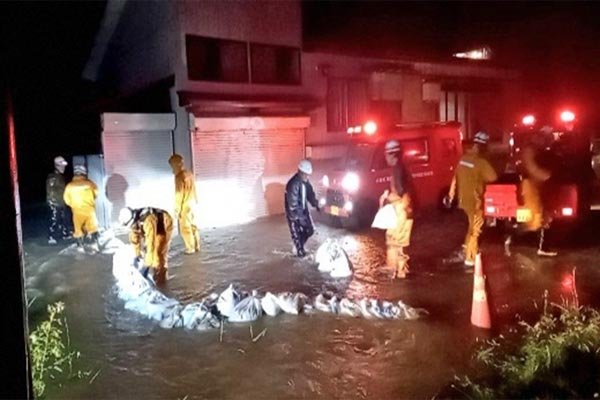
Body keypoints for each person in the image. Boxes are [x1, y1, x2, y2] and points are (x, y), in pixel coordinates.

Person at [445, 131, 498, 268]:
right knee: (475, 230)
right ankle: (470, 257)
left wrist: (451, 196)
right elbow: (493, 177)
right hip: (475, 202)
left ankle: (467, 250)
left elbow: (454, 178)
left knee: (470, 228)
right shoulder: (481, 162)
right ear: (483, 146)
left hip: (464, 200)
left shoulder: (463, 159)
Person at [506, 139, 557, 256]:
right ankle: (512, 237)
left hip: (535, 187)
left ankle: (543, 247)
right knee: (534, 222)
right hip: (531, 187)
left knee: (541, 219)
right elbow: (532, 169)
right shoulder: (529, 152)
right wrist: (547, 175)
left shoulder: (531, 151)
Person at [379, 140, 414, 279]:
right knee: (392, 239)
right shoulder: (398, 168)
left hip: (402, 211)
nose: (385, 157)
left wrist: (386, 197)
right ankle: (392, 268)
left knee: (398, 242)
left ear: (393, 154)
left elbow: (400, 192)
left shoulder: (399, 169)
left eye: (386, 154)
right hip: (400, 211)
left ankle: (401, 272)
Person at [119, 207, 174, 284]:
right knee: (149, 254)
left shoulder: (148, 221)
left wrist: (146, 265)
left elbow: (150, 243)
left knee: (158, 254)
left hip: (164, 224)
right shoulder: (134, 222)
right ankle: (156, 273)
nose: (132, 227)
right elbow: (134, 238)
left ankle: (161, 279)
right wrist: (137, 255)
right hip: (153, 226)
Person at [285, 159, 319, 257]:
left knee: (310, 230)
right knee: (299, 246)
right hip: (294, 216)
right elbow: (292, 206)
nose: (308, 176)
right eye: (306, 174)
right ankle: (299, 249)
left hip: (303, 212)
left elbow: (310, 195)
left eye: (308, 174)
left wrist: (315, 204)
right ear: (300, 172)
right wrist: (297, 221)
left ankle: (299, 245)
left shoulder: (305, 182)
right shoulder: (293, 184)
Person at [63, 164, 100, 253]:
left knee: (78, 229)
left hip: (77, 212)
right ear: (84, 173)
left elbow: (66, 200)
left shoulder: (69, 186)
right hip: (89, 211)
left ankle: (80, 247)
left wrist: (74, 205)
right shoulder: (90, 184)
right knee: (93, 228)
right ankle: (94, 245)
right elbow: (96, 194)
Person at [168, 154, 200, 254]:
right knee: (194, 226)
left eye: (172, 165)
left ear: (176, 164)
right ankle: (197, 245)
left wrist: (177, 210)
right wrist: (197, 200)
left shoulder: (179, 177)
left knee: (185, 228)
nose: (172, 168)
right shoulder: (189, 173)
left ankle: (190, 248)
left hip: (185, 206)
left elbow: (179, 195)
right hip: (193, 204)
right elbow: (194, 188)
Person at [46, 156, 70, 245]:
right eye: (62, 165)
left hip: (61, 201)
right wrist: (54, 202)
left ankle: (64, 234)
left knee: (64, 218)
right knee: (54, 219)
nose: (64, 167)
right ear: (57, 165)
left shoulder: (59, 176)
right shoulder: (53, 177)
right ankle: (51, 237)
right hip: (55, 202)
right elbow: (51, 191)